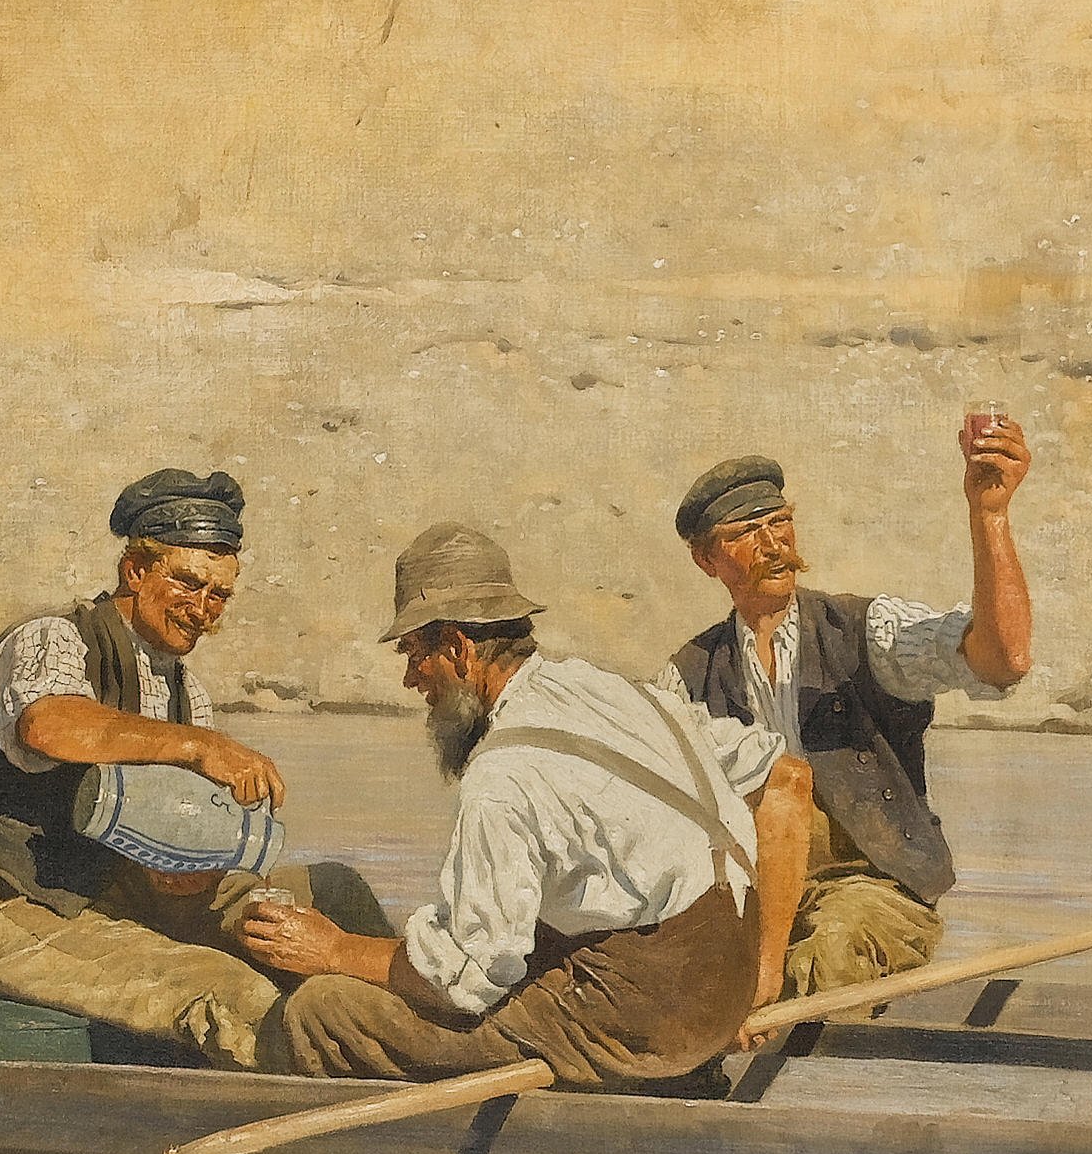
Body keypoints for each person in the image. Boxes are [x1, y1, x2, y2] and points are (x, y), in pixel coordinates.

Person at [237, 522, 818, 1086]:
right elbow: (787, 779)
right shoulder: (609, 689)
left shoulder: (501, 775)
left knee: (324, 1008)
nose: (412, 680)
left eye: (415, 654)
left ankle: (640, 1085)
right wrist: (764, 975)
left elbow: (467, 980)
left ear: (458, 648)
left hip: (644, 1026)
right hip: (726, 987)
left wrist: (334, 949)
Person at [0, 467, 382, 1066]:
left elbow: (172, 828)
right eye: (188, 584)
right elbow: (50, 725)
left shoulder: (187, 693)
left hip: (120, 895)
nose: (203, 610)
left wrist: (190, 872)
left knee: (333, 893)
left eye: (219, 596)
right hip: (12, 906)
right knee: (234, 994)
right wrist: (198, 747)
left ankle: (420, 1029)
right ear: (134, 571)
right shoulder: (52, 639)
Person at [660, 421, 1032, 1006]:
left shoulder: (864, 632)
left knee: (825, 958)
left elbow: (1002, 661)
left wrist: (990, 516)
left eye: (779, 522)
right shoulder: (685, 676)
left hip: (872, 891)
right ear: (706, 559)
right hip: (751, 896)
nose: (773, 544)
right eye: (748, 532)